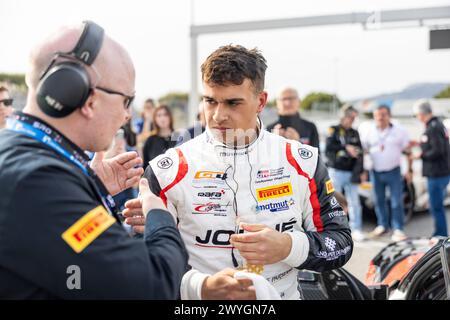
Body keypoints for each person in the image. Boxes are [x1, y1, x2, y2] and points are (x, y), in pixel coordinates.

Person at [127, 45, 353, 300]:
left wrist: (288, 247)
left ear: (261, 101)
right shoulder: (167, 170)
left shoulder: (302, 161)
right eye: (210, 101)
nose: (218, 115)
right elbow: (143, 259)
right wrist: (198, 287)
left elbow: (341, 243)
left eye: (233, 103)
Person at [0, 21, 188, 299]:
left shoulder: (19, 154)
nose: (127, 115)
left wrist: (89, 189)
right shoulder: (38, 180)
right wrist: (159, 214)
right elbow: (152, 286)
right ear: (88, 99)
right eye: (126, 100)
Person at [360, 104, 411, 242]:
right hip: (375, 171)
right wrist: (363, 170)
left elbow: (408, 151)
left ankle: (398, 228)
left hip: (394, 170)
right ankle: (383, 225)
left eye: (383, 114)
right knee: (378, 200)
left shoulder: (399, 131)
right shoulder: (369, 131)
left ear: (389, 115)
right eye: (377, 115)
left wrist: (409, 170)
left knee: (396, 201)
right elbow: (364, 151)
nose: (380, 118)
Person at [325, 105, 365, 241]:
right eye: (350, 117)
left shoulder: (355, 132)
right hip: (336, 171)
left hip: (351, 172)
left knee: (354, 202)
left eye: (354, 118)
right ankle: (334, 228)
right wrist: (345, 147)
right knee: (333, 201)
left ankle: (356, 229)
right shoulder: (333, 129)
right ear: (343, 116)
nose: (352, 120)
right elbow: (328, 148)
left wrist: (361, 170)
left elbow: (360, 152)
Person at [412, 100, 450, 237]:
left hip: (436, 173)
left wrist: (420, 154)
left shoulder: (433, 127)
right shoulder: (437, 124)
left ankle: (440, 236)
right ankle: (440, 234)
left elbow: (438, 150)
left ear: (421, 114)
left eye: (417, 115)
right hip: (441, 172)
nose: (417, 117)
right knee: (437, 206)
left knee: (436, 207)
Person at [142, 104, 176, 169]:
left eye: (165, 115)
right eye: (159, 115)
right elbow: (145, 166)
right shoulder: (150, 140)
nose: (162, 118)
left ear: (170, 117)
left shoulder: (179, 138)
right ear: (155, 119)